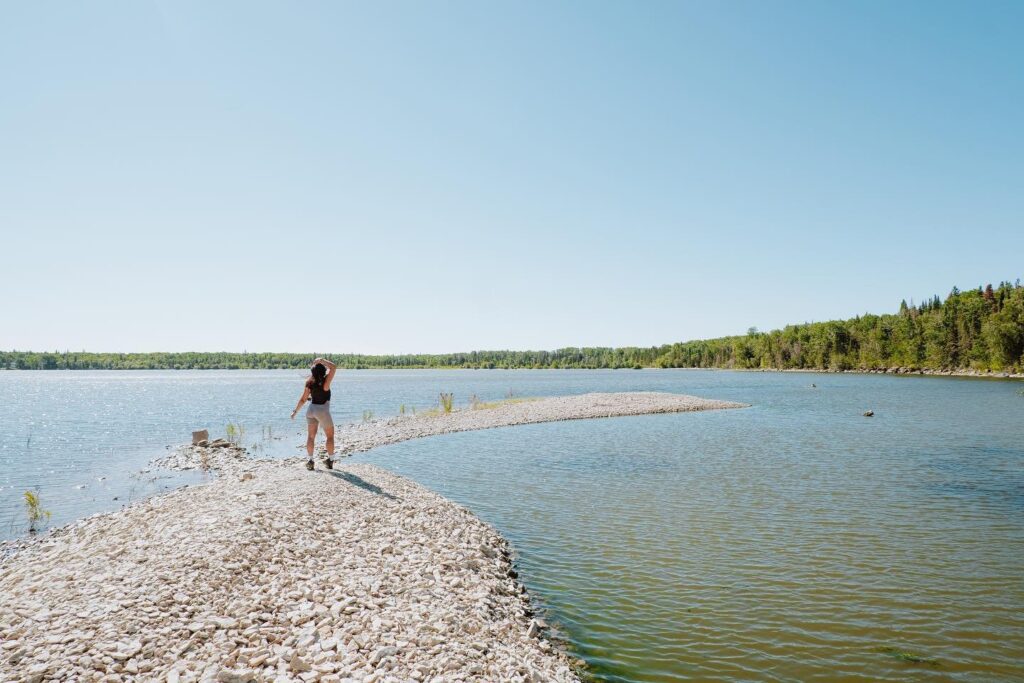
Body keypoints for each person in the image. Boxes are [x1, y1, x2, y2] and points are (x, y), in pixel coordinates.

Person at [291, 357, 337, 470]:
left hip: (311, 410)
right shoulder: (326, 382)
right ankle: (330, 460)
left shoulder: (309, 383)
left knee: (311, 437)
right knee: (330, 436)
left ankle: (311, 461)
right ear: (323, 372)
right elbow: (334, 367)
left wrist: (295, 412)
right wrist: (322, 360)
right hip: (322, 411)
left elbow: (302, 400)